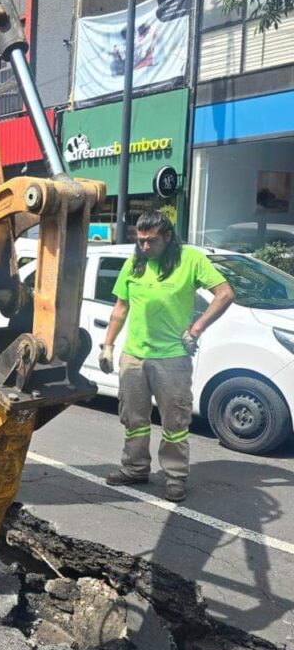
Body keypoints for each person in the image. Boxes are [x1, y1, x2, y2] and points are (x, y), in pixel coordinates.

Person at [99, 210, 235, 502]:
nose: (145, 247)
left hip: (172, 358)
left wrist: (196, 328)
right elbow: (120, 308)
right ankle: (135, 468)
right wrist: (107, 345)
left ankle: (174, 477)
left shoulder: (190, 260)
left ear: (168, 237)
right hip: (134, 356)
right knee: (133, 419)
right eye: (140, 241)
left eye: (151, 241)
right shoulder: (134, 264)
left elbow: (225, 293)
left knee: (175, 422)